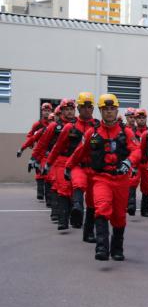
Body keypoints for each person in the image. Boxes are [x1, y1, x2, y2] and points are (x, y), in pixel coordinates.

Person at [66, 94, 140, 261]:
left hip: (121, 180)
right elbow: (79, 152)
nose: (109, 112)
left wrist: (129, 161)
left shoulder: (126, 132)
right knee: (101, 208)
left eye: (112, 109)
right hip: (101, 179)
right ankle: (101, 247)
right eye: (105, 109)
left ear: (117, 110)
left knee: (119, 216)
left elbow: (137, 150)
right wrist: (68, 167)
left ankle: (117, 248)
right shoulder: (92, 133)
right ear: (100, 111)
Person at [45, 96, 98, 231]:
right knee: (66, 189)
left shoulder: (97, 126)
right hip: (71, 163)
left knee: (92, 198)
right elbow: (57, 146)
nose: (87, 110)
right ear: (79, 108)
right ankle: (63, 220)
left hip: (93, 166)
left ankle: (79, 221)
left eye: (89, 107)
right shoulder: (69, 127)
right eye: (83, 107)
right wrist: (48, 163)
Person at [17, 102, 54, 201]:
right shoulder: (38, 124)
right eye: (45, 110)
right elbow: (31, 135)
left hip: (51, 151)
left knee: (49, 173)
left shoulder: (55, 124)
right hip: (39, 150)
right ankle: (40, 192)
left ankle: (50, 195)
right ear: (42, 111)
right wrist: (30, 144)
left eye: (48, 110)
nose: (47, 112)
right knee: (39, 171)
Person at [130, 108, 148, 216]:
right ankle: (131, 205)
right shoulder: (131, 132)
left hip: (147, 162)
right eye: (139, 118)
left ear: (146, 118)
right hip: (135, 163)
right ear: (135, 119)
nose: (141, 120)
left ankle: (145, 209)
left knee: (147, 186)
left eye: (143, 118)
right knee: (132, 182)